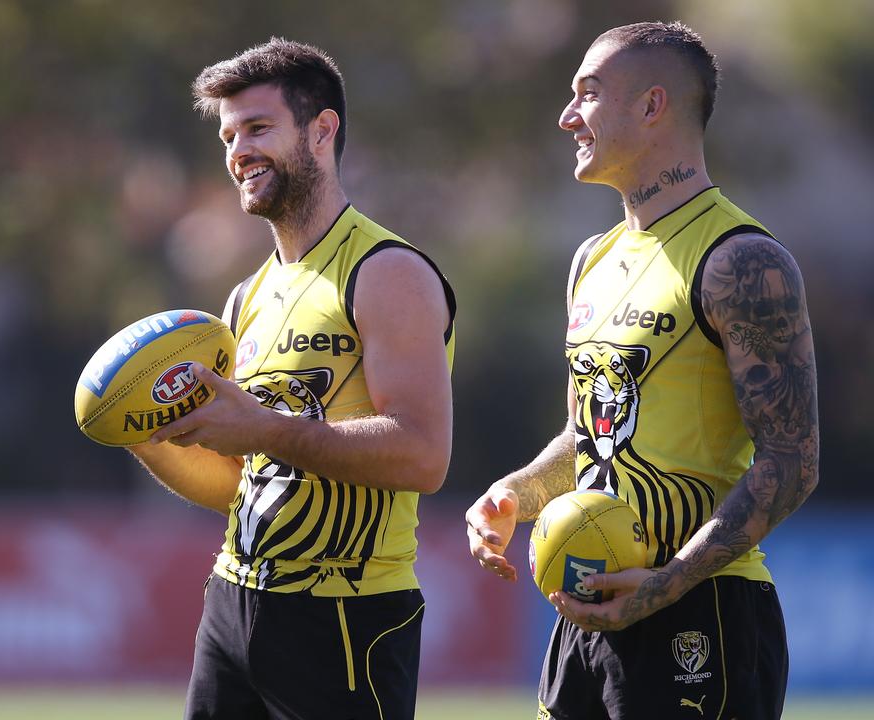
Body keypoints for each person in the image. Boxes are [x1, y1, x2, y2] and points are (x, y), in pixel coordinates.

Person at [465, 22, 818, 720]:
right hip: (586, 612)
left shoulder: (740, 260)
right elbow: (590, 436)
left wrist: (666, 581)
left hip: (702, 613)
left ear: (652, 106)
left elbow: (793, 460)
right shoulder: (591, 259)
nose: (568, 116)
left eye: (588, 95)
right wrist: (515, 493)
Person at [130, 38, 455, 720]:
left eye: (257, 128)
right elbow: (239, 482)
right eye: (228, 136)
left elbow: (424, 454)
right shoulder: (245, 297)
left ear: (322, 131)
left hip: (345, 617)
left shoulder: (386, 271)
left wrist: (266, 428)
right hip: (233, 603)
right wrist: (144, 433)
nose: (238, 151)